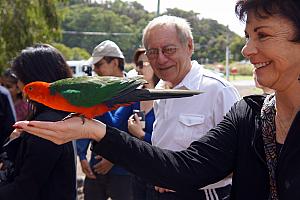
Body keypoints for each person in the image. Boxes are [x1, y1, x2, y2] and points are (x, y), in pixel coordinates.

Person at [14, 0, 300, 199]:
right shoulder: (249, 115)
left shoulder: (217, 89)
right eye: (247, 36)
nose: (246, 50)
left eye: (262, 35)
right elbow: (184, 167)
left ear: (190, 47)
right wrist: (94, 130)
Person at [142, 15, 240, 200]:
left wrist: (183, 179)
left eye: (169, 50)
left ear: (189, 46)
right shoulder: (161, 90)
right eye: (153, 52)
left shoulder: (217, 90)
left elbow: (240, 160)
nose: (161, 59)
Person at [0, 44, 77, 200]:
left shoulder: (47, 126)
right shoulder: (57, 116)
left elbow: (25, 188)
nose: (19, 87)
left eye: (20, 79)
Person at [76, 40, 133, 200]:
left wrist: (115, 158)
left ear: (114, 62)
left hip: (124, 171)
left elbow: (138, 134)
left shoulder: (135, 91)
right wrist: (81, 156)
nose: (95, 70)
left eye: (99, 64)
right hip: (95, 168)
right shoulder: (97, 90)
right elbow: (86, 121)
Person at [111, 47, 159, 199]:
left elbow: (170, 143)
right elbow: (114, 123)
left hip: (159, 174)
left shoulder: (168, 97)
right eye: (136, 64)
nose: (137, 68)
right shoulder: (135, 96)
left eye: (141, 64)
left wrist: (141, 135)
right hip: (137, 171)